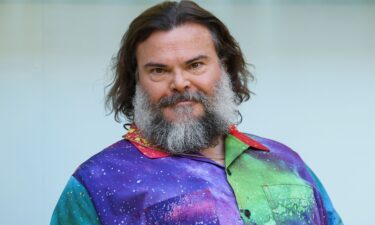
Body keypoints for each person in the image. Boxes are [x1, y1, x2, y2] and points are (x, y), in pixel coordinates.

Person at [51, 1, 343, 224]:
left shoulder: (285, 161)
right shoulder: (95, 183)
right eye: (158, 70)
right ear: (136, 81)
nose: (179, 83)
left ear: (225, 67)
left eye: (195, 65)